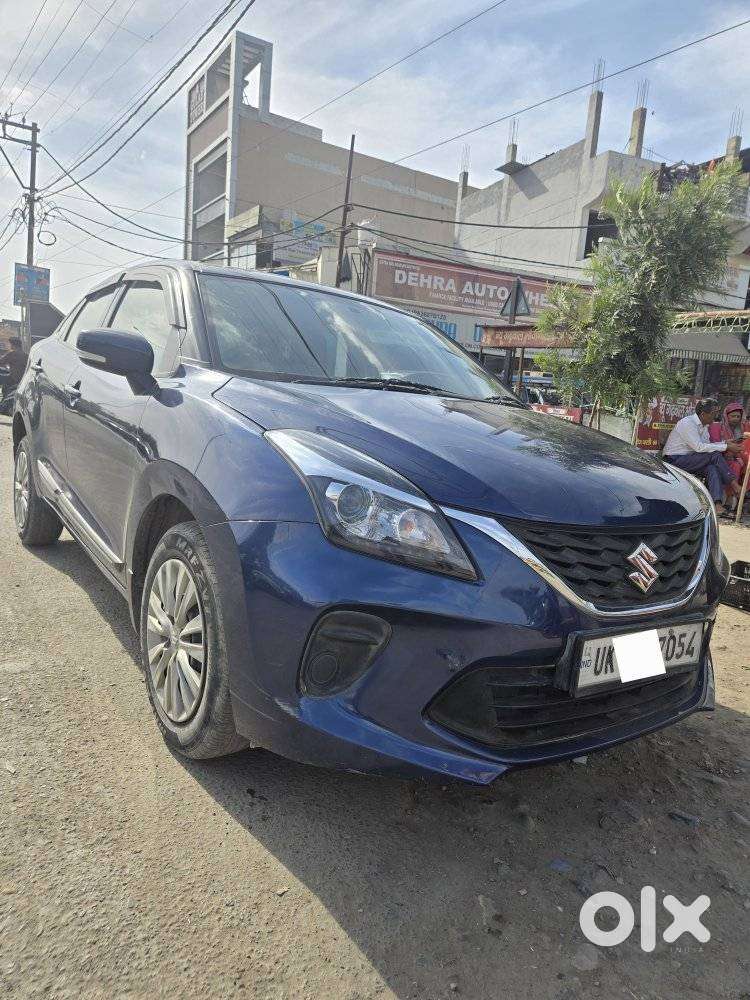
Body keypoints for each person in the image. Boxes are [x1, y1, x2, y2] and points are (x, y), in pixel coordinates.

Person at [662, 398, 744, 514]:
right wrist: (726, 447)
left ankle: (717, 504)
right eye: (713, 413)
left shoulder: (704, 426)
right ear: (703, 414)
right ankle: (735, 485)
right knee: (714, 455)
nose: (715, 417)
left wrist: (725, 443)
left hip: (691, 459)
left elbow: (707, 446)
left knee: (713, 468)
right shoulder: (687, 423)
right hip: (675, 460)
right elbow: (699, 447)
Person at [709, 402, 750, 502]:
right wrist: (733, 444)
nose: (736, 418)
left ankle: (744, 497)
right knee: (735, 465)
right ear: (726, 416)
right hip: (720, 457)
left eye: (738, 416)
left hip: (739, 457)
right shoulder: (716, 426)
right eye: (733, 416)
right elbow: (714, 445)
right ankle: (729, 498)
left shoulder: (743, 427)